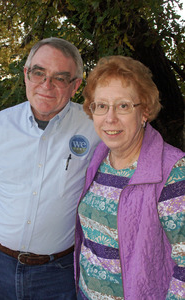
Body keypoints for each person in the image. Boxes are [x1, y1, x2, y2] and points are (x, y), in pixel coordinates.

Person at [0, 37, 100, 300]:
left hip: (58, 275)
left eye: (60, 77)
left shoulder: (96, 128)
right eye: (38, 73)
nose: (46, 85)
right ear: (25, 74)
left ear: (76, 85)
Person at [74, 56, 185, 299]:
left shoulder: (173, 171)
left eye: (123, 105)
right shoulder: (99, 157)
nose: (110, 118)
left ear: (144, 111)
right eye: (101, 106)